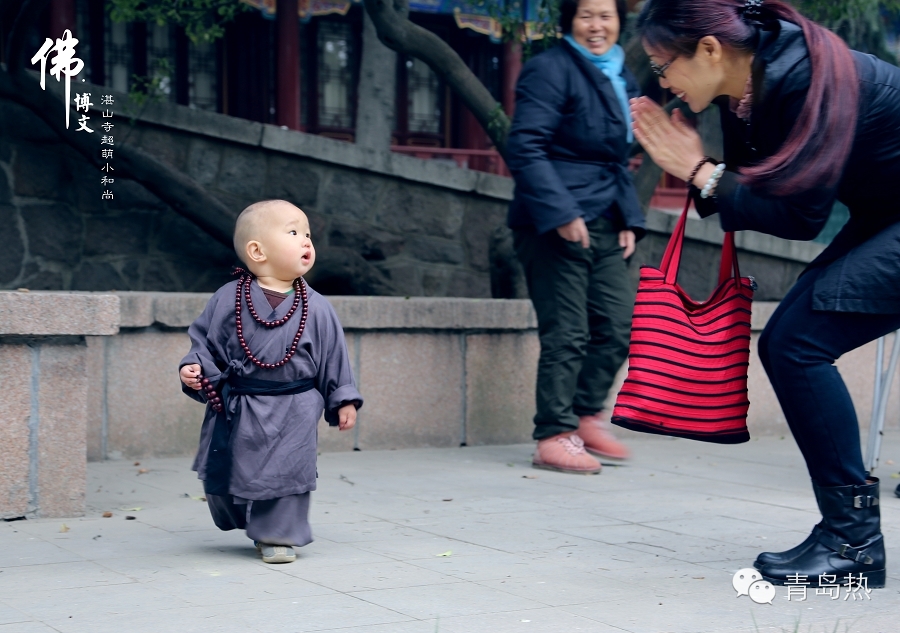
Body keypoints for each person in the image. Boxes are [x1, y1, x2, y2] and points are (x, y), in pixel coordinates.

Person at [630, 0, 900, 588]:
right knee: (790, 341)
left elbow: (800, 214)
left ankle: (854, 543)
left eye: (662, 65)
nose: (664, 83)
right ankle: (851, 534)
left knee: (795, 343)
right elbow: (755, 187)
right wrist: (700, 168)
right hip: (884, 215)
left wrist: (699, 169)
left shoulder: (800, 78)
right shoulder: (745, 88)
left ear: (708, 50)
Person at [179, 200, 362, 564]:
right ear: (257, 251)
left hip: (295, 405)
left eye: (308, 234)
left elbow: (334, 358)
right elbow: (204, 345)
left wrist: (342, 398)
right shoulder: (227, 299)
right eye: (294, 233)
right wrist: (193, 369)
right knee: (229, 471)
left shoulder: (318, 307)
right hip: (240, 404)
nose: (306, 241)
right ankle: (241, 516)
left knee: (287, 473)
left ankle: (277, 535)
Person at [506, 0, 645, 475]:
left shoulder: (618, 73)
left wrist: (629, 218)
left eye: (605, 15)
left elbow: (616, 157)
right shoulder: (550, 69)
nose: (597, 25)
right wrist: (560, 211)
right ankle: (553, 433)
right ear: (570, 20)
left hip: (605, 215)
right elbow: (525, 145)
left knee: (618, 324)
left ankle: (585, 415)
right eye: (586, 14)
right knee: (568, 330)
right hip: (554, 220)